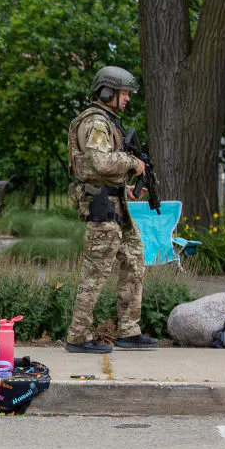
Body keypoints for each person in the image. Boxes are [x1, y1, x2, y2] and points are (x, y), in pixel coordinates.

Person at [65, 66, 158, 354]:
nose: (128, 99)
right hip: (101, 207)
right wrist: (133, 163)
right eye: (124, 93)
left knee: (134, 259)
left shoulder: (108, 121)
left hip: (115, 203)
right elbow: (100, 163)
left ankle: (129, 330)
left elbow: (104, 171)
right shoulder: (95, 122)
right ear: (107, 92)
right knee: (96, 272)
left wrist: (125, 188)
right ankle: (78, 336)